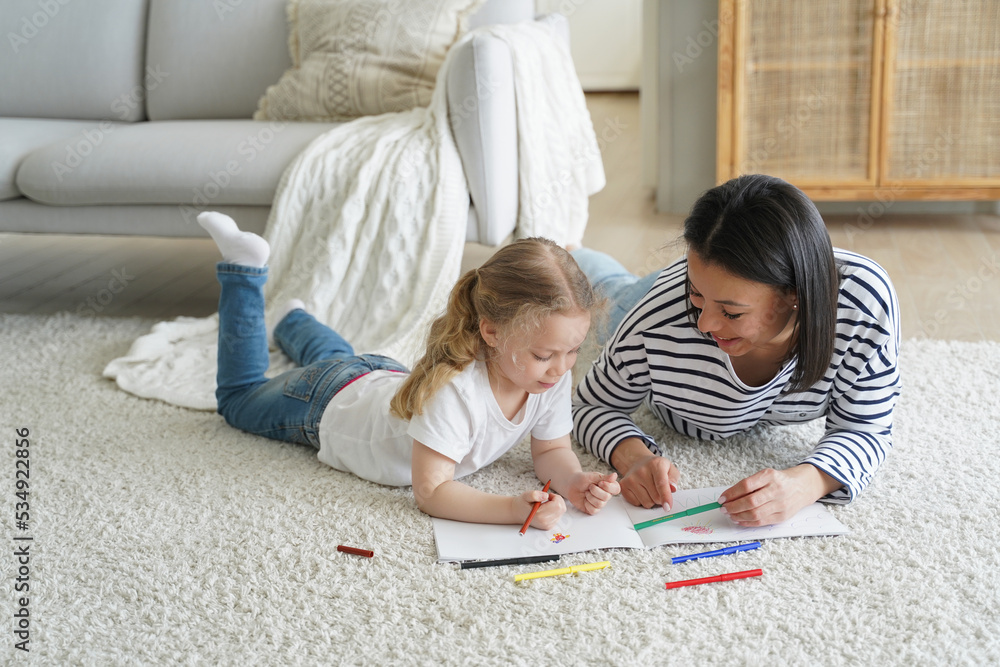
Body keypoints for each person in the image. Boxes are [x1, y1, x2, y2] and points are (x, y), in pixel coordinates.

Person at [197, 211, 620, 530]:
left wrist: (573, 480)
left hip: (374, 374)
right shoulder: (455, 391)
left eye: (573, 351)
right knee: (238, 398)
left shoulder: (547, 373)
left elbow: (549, 451)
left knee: (339, 359)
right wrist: (511, 509)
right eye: (545, 355)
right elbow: (432, 492)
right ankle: (243, 271)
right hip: (324, 403)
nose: (561, 369)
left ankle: (292, 320)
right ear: (490, 332)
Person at [571, 174, 901, 527]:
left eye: (731, 312)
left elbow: (865, 428)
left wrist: (806, 484)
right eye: (696, 295)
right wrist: (633, 458)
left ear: (796, 296)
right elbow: (588, 405)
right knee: (605, 295)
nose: (704, 324)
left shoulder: (863, 306)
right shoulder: (656, 321)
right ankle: (571, 251)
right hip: (644, 298)